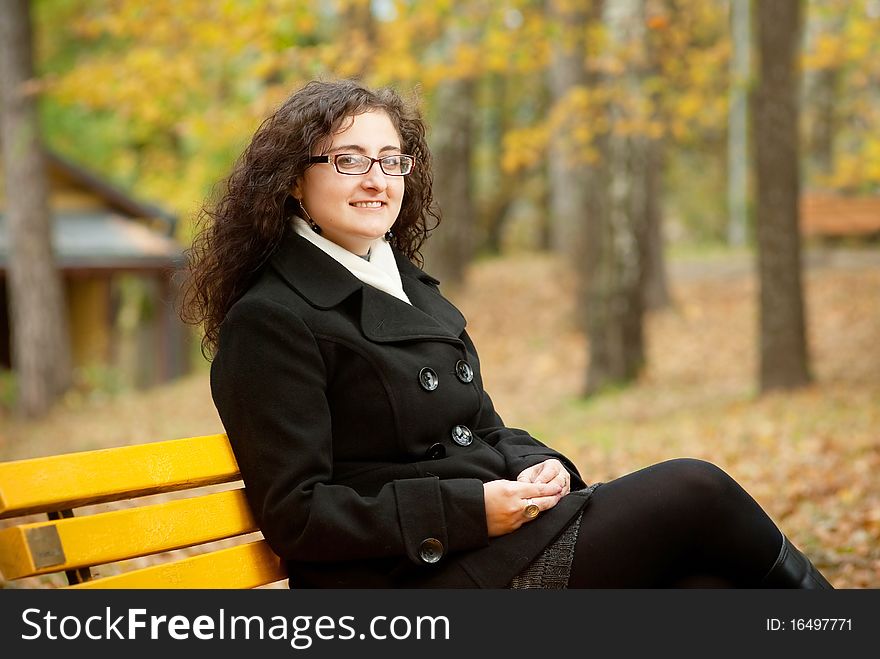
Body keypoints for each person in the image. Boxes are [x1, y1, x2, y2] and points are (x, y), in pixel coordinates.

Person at [181, 78, 833, 589]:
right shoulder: (271, 319)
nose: (377, 180)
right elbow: (299, 514)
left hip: (487, 549)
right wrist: (470, 510)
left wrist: (538, 468)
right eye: (349, 161)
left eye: (390, 160)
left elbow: (481, 426)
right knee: (696, 489)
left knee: (708, 590)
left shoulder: (404, 284)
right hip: (410, 584)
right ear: (295, 180)